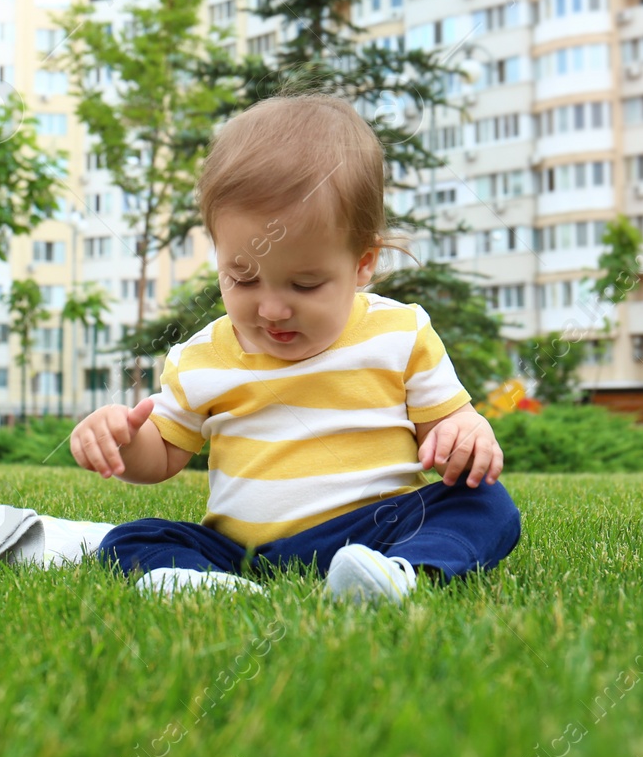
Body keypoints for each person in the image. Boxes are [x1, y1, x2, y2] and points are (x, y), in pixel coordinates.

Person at [71, 95, 521, 603]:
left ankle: (400, 573)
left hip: (375, 533)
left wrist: (465, 431)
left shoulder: (400, 332)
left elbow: (445, 430)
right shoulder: (202, 357)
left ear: (362, 264)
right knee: (130, 539)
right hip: (243, 551)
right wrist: (123, 441)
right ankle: (215, 585)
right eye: (242, 279)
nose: (271, 309)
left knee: (486, 505)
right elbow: (162, 457)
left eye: (304, 285)